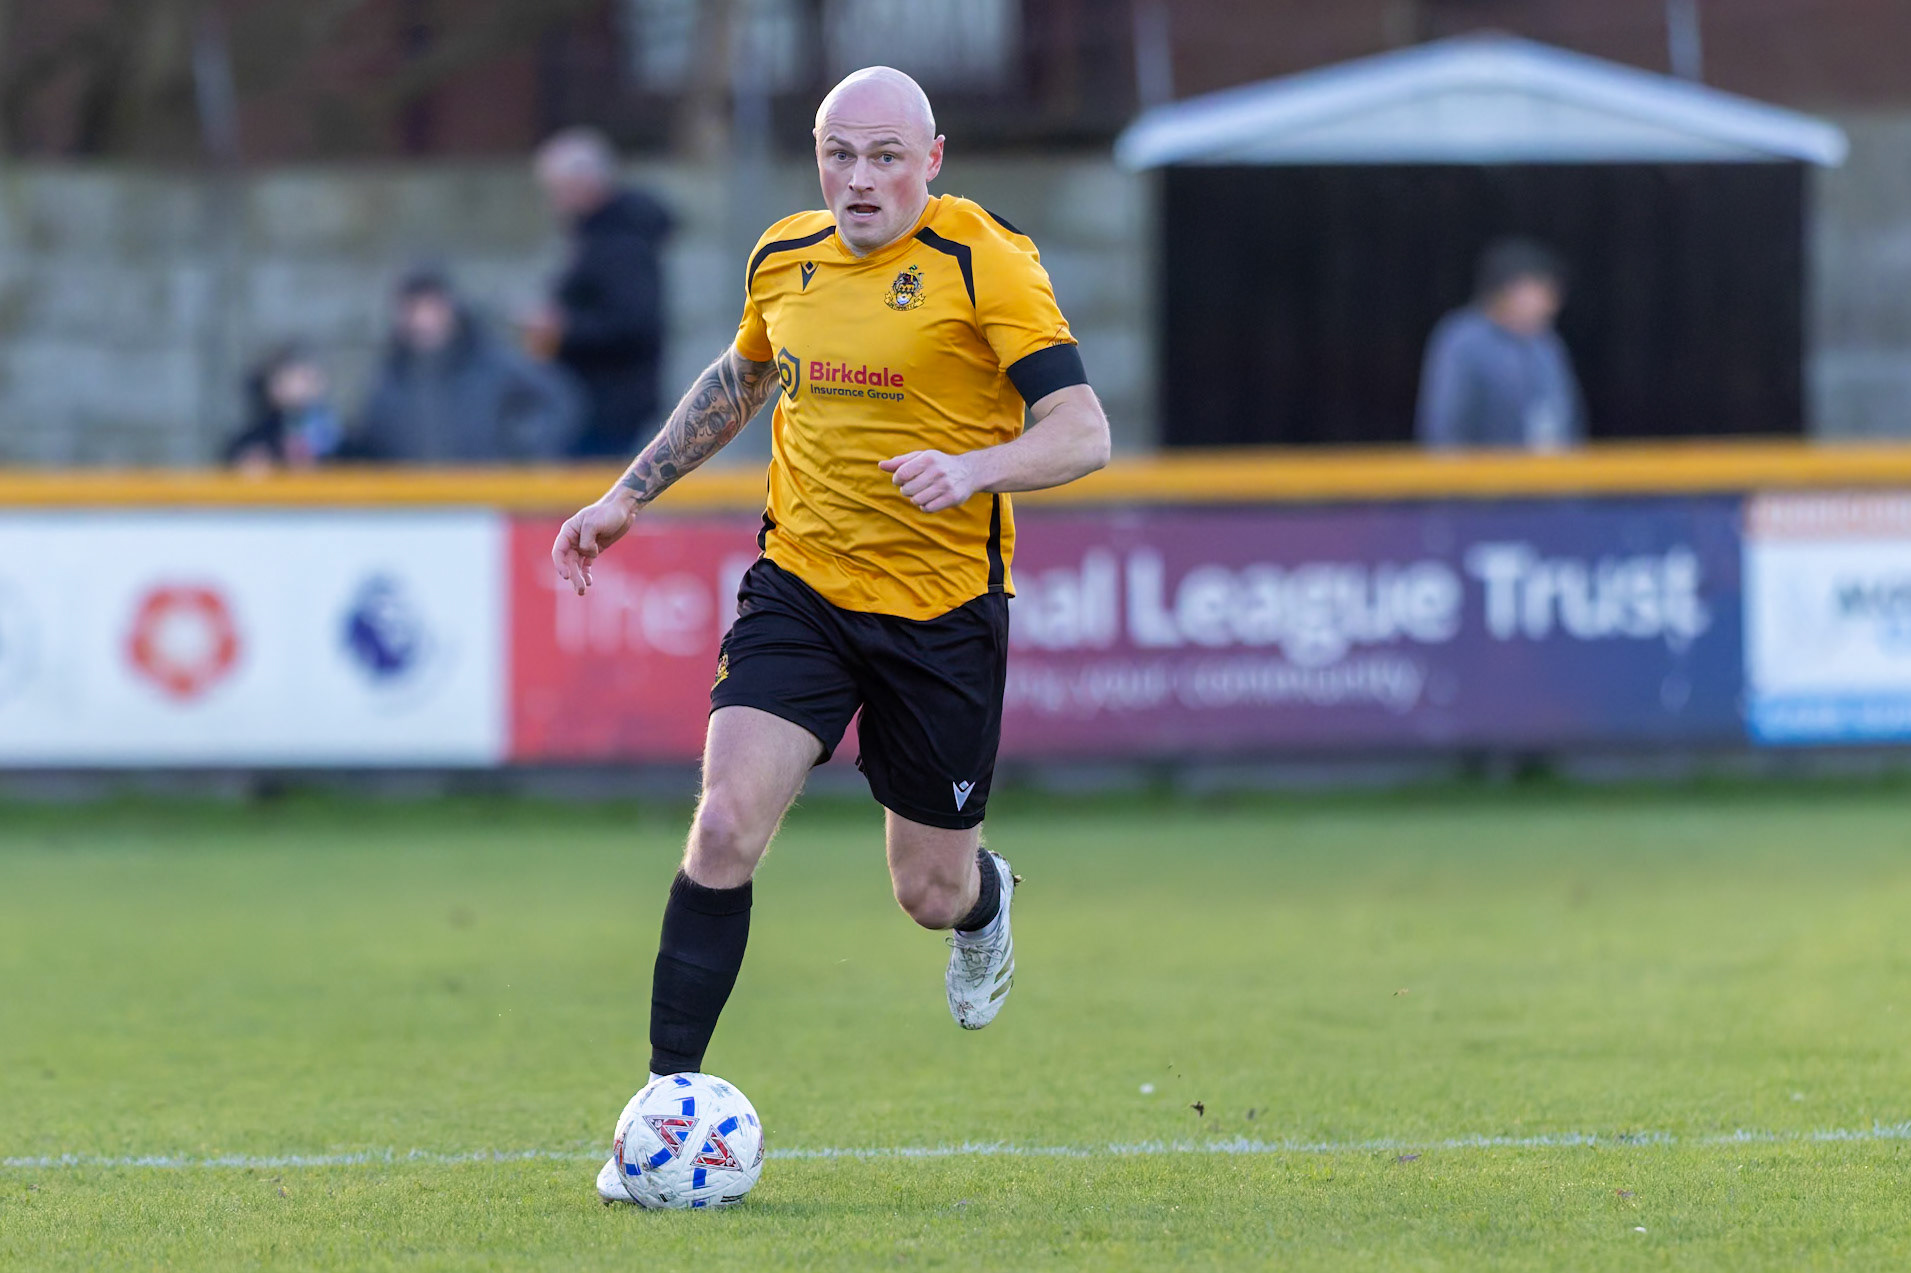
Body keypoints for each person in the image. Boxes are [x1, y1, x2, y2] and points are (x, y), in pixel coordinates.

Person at [551, 67, 1111, 1205]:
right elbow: (742, 377)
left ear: (931, 160)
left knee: (927, 891)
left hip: (941, 613)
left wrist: (976, 468)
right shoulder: (784, 255)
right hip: (801, 589)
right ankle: (660, 1114)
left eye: (885, 157)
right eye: (838, 154)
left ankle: (986, 901)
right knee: (723, 825)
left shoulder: (986, 260)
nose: (858, 180)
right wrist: (626, 495)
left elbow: (1083, 429)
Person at [527, 128, 673, 459]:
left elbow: (633, 324)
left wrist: (563, 330)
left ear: (584, 185)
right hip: (593, 399)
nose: (554, 201)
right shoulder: (600, 236)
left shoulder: (621, 243)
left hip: (610, 404)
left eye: (558, 189)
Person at [353, 265, 579, 463]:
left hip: (488, 491)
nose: (424, 320)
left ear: (451, 309)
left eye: (432, 308)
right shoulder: (388, 379)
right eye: (414, 309)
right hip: (416, 496)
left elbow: (560, 401)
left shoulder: (491, 363)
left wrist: (525, 451)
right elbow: (371, 441)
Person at [1416, 238, 1586, 451]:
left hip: (1546, 469)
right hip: (1484, 470)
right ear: (1509, 290)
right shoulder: (1463, 340)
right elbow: (1446, 427)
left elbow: (1567, 419)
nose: (1551, 305)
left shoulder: (1547, 345)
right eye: (1542, 292)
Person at [222, 343, 342, 472]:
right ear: (273, 386)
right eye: (297, 377)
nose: (305, 386)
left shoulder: (338, 439)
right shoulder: (254, 444)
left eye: (312, 377)